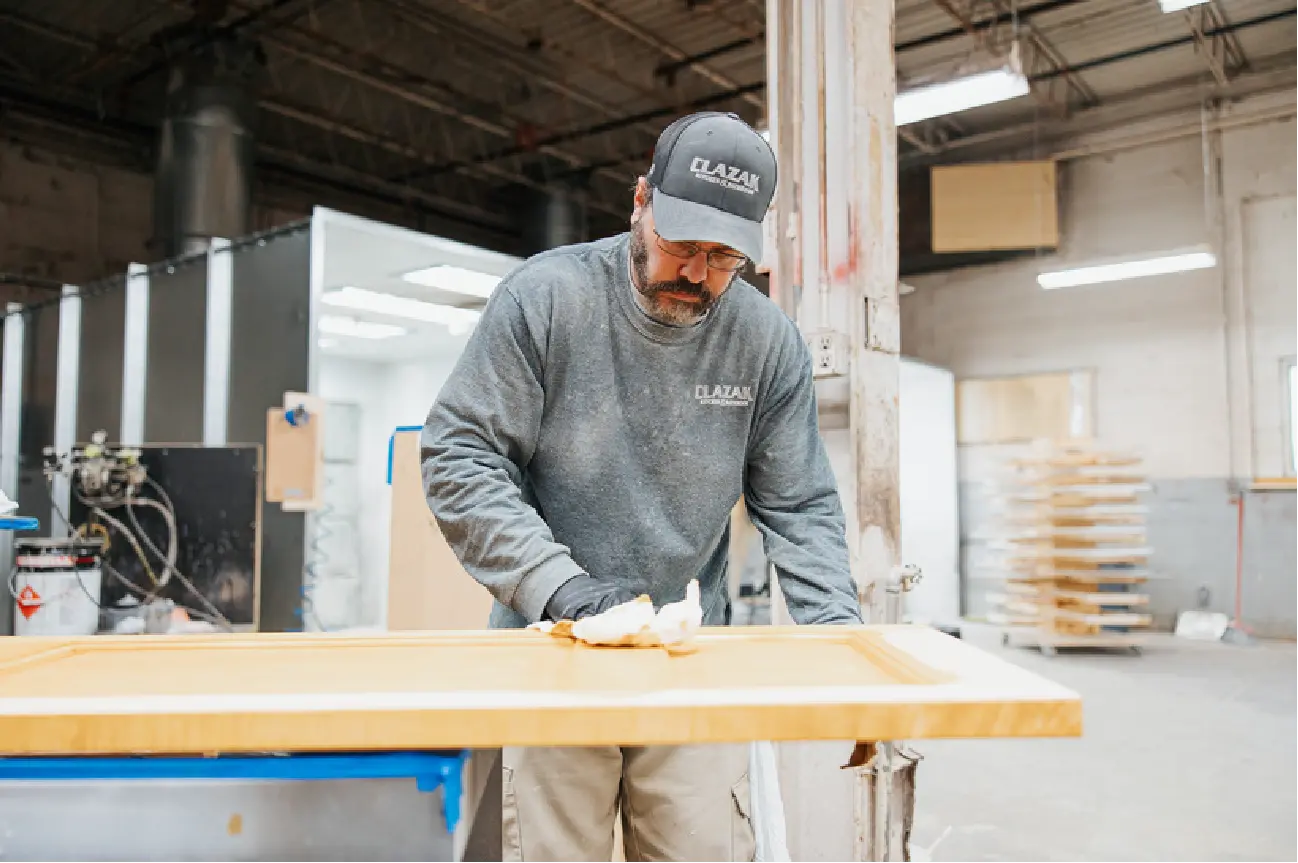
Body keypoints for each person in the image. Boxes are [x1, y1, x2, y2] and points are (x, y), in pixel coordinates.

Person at [421, 111, 862, 863]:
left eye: (722, 257)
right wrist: (562, 587)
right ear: (639, 202)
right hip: (552, 650)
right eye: (681, 245)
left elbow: (800, 505)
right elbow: (460, 457)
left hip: (689, 663)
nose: (695, 273)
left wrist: (840, 647)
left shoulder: (765, 343)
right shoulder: (546, 300)